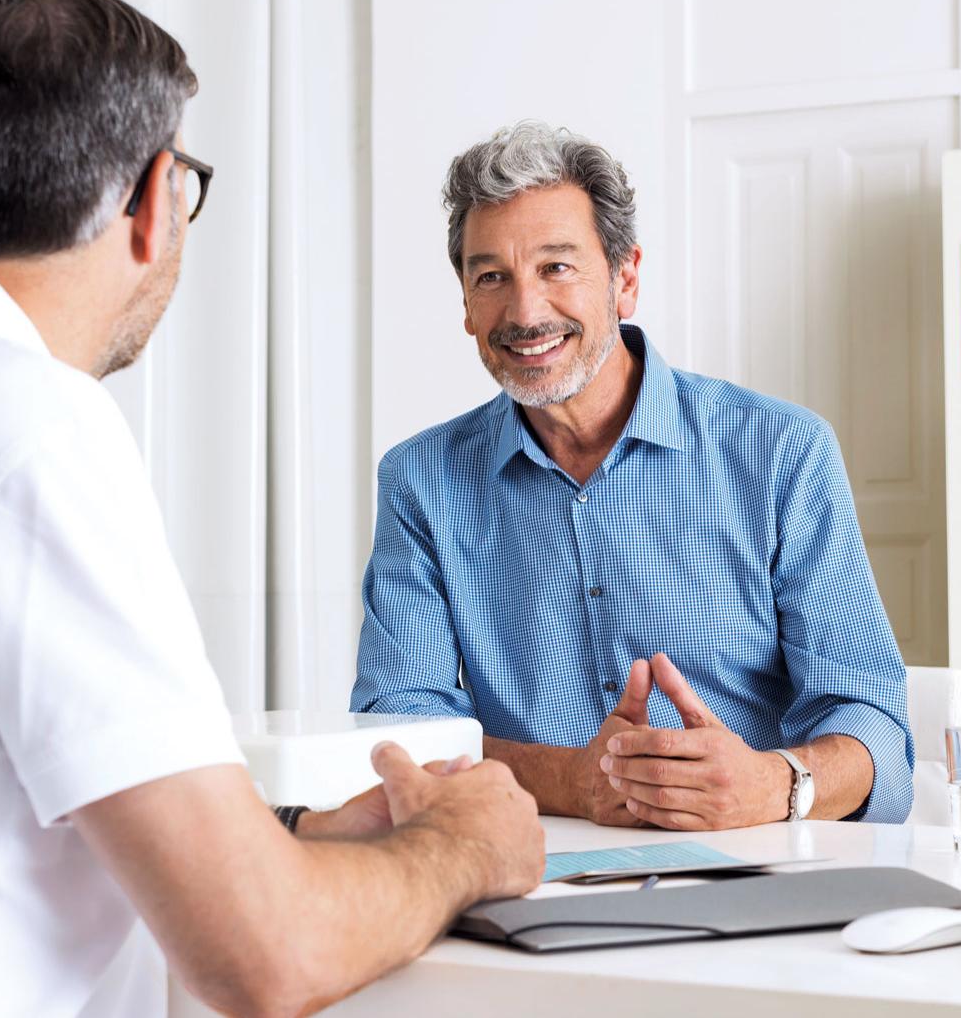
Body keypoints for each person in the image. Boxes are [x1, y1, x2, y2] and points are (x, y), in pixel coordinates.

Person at [0, 0, 541, 1016]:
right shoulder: (27, 430)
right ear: (155, 199)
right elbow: (265, 958)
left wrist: (282, 840)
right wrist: (459, 847)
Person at [351, 121, 914, 829]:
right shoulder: (419, 482)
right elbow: (399, 726)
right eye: (491, 276)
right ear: (465, 302)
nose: (525, 313)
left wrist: (773, 785)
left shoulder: (781, 451)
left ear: (624, 278)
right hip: (527, 867)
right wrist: (566, 780)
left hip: (755, 869)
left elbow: (872, 722)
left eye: (557, 267)